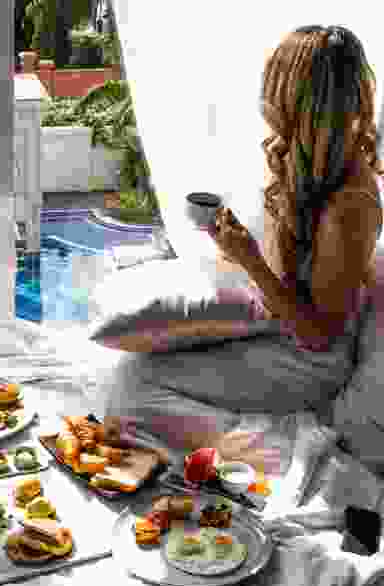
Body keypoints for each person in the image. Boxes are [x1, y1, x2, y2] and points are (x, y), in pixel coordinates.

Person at [101, 25, 384, 470]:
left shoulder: (350, 204)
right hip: (276, 329)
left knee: (133, 392)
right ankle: (229, 440)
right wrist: (236, 245)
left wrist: (250, 260)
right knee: (129, 374)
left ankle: (283, 455)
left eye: (272, 84)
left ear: (298, 98)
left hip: (310, 360)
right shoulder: (306, 159)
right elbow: (290, 273)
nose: (263, 96)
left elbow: (319, 335)